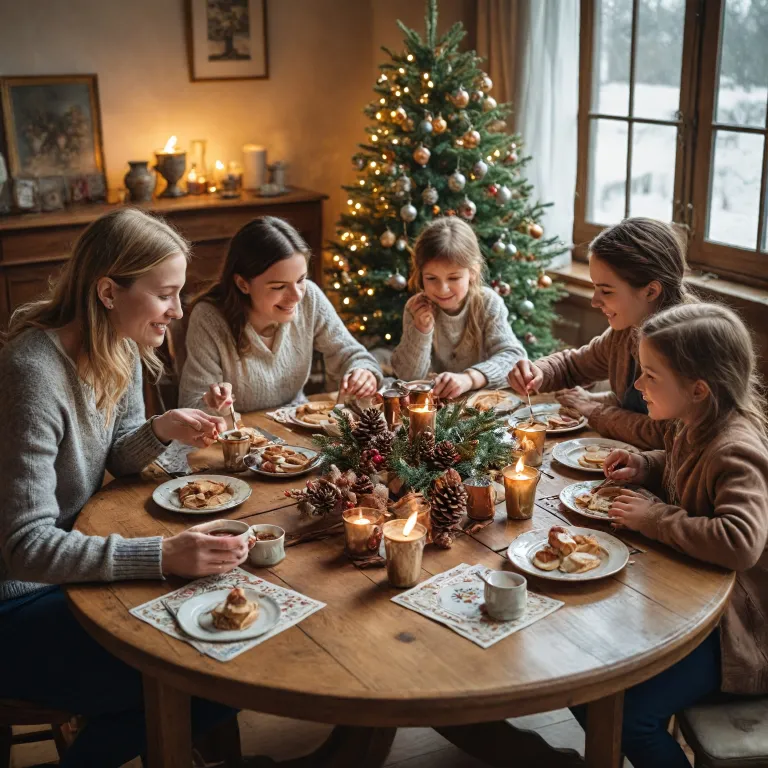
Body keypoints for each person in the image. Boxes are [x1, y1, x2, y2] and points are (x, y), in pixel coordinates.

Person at [0, 208, 244, 768]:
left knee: (226, 655)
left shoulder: (120, 345)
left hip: (68, 577)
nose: (178, 311)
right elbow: (24, 546)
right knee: (203, 676)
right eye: (166, 294)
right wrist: (161, 555)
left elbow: (116, 456)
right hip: (15, 599)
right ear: (109, 291)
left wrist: (162, 429)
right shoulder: (33, 372)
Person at [580, 302, 768, 768]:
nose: (636, 386)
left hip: (741, 633)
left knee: (627, 716)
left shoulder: (736, 448)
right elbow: (689, 471)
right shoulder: (696, 424)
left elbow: (740, 541)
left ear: (698, 389)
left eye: (650, 375)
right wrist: (646, 465)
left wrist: (655, 518)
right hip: (702, 605)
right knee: (586, 676)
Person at [508, 218, 695, 449]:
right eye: (595, 288)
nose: (595, 301)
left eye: (606, 291)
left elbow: (666, 434)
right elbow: (574, 365)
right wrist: (539, 372)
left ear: (651, 291)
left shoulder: (688, 346)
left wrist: (593, 409)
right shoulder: (626, 331)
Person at [178, 216, 382, 416]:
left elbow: (352, 355)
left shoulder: (309, 297)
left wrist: (363, 373)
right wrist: (212, 405)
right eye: (279, 286)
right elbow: (192, 405)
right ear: (243, 284)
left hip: (295, 425)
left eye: (301, 280)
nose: (296, 296)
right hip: (238, 434)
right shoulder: (209, 318)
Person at [391, 217, 526, 399]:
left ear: (472, 272)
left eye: (453, 278)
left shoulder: (487, 303)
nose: (442, 289)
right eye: (431, 278)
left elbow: (514, 358)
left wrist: (469, 379)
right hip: (433, 407)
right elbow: (407, 376)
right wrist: (421, 330)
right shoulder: (416, 308)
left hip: (481, 405)